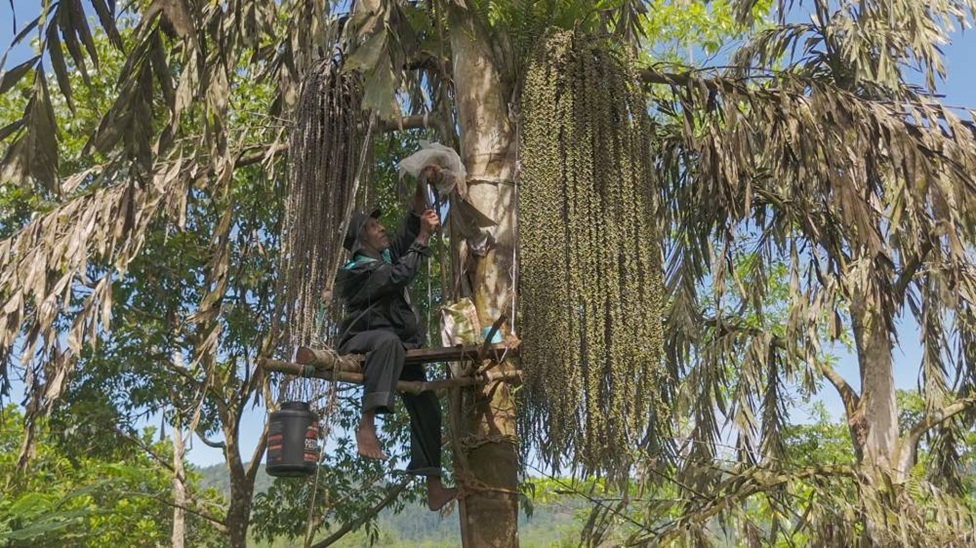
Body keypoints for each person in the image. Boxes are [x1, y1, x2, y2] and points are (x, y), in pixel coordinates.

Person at [334, 179, 457, 511]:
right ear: (362, 239)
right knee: (387, 341)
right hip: (362, 341)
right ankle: (367, 424)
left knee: (427, 405)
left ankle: (433, 486)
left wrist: (421, 182)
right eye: (374, 227)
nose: (382, 228)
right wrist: (423, 238)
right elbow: (399, 275)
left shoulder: (386, 256)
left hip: (397, 348)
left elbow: (412, 221)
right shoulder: (356, 272)